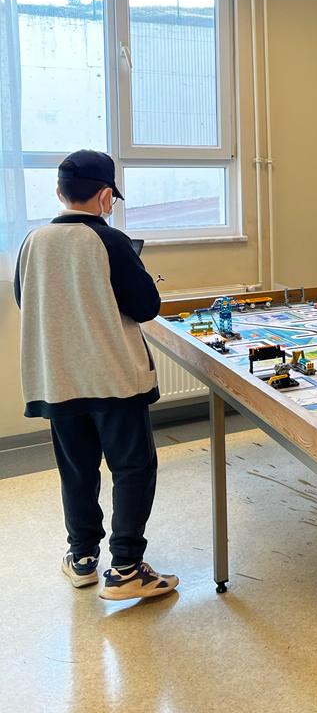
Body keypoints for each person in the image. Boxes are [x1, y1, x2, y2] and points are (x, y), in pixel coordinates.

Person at [14, 149, 178, 601]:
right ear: (106, 197)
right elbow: (146, 307)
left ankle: (82, 557)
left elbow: (26, 301)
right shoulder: (111, 242)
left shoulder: (32, 241)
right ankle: (126, 567)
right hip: (113, 378)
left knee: (77, 470)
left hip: (58, 379)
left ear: (59, 193)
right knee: (133, 468)